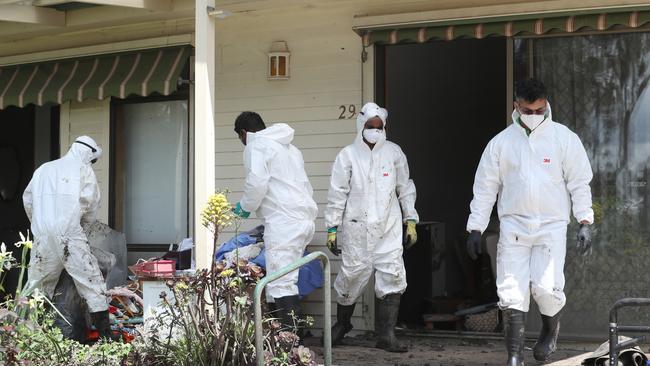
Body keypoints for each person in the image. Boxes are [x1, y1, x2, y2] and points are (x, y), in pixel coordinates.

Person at [466, 79, 593, 365]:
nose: (534, 115)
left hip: (552, 226)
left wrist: (585, 220)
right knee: (511, 291)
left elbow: (580, 182)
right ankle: (514, 355)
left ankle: (549, 331)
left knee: (546, 288)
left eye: (539, 109)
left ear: (546, 105)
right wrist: (476, 228)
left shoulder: (564, 138)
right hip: (514, 227)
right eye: (528, 110)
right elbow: (485, 188)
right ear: (516, 106)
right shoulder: (501, 143)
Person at [324, 102, 418, 352]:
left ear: (384, 127)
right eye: (370, 126)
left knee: (393, 276)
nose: (374, 130)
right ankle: (342, 325)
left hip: (389, 227)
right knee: (351, 277)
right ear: (361, 126)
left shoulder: (394, 152)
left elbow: (405, 187)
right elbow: (337, 193)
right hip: (357, 229)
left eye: (378, 126)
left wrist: (411, 220)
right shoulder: (347, 155)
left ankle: (387, 335)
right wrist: (332, 226)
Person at [232, 112, 318, 336]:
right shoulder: (290, 148)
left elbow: (257, 182)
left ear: (244, 133)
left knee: (281, 283)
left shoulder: (257, 145)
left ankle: (289, 346)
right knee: (283, 280)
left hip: (284, 220)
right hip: (303, 219)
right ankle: (280, 339)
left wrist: (244, 206)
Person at [23, 136, 113, 339]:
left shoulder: (43, 169)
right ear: (88, 154)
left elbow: (27, 199)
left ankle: (29, 336)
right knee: (91, 282)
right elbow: (91, 206)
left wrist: (40, 224)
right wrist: (82, 228)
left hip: (43, 235)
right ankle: (107, 338)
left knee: (38, 285)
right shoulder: (83, 169)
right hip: (70, 234)